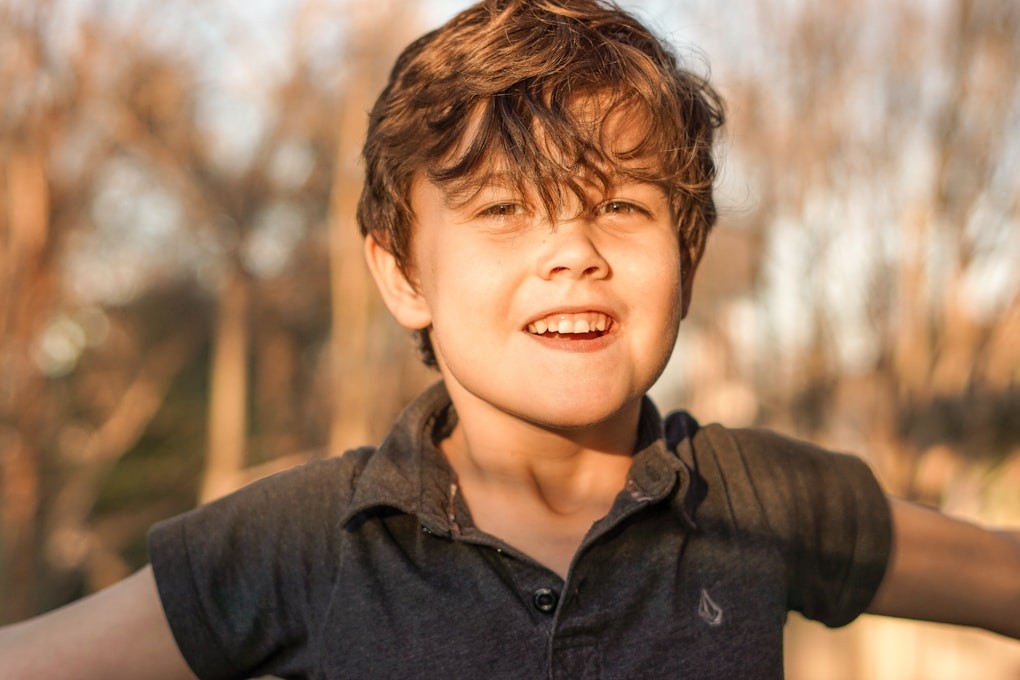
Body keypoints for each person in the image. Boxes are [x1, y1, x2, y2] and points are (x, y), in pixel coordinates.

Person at [2, 0, 1018, 678]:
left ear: (690, 259)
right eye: (504, 209)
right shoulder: (306, 538)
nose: (573, 250)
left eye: (621, 207)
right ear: (402, 274)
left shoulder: (762, 502)